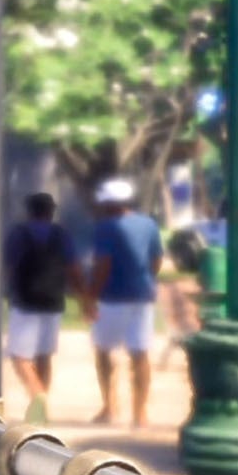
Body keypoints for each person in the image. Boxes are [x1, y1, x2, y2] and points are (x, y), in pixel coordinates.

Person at [82, 178, 165, 428]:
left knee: (104, 351)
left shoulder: (106, 227)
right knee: (140, 353)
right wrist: (146, 279)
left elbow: (103, 265)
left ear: (109, 204)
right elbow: (157, 260)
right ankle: (140, 413)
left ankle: (109, 406)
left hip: (112, 297)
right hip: (142, 295)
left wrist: (90, 296)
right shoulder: (148, 224)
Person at [2, 191, 83, 424]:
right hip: (53, 301)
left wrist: (8, 289)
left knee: (19, 356)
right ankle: (42, 405)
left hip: (25, 301)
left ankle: (38, 396)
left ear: (29, 211)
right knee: (44, 355)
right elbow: (74, 268)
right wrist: (83, 297)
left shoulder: (18, 234)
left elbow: (9, 267)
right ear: (51, 211)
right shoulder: (61, 235)